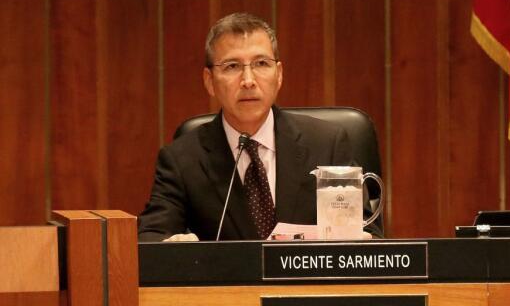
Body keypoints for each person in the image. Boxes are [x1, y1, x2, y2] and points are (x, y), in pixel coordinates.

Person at [138, 12, 381, 241]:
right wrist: (172, 248)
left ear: (279, 75)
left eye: (261, 64)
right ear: (209, 81)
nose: (248, 81)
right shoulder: (182, 160)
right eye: (232, 66)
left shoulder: (328, 144)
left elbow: (369, 234)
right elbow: (151, 237)